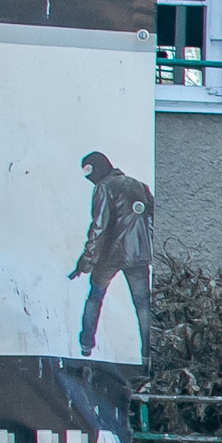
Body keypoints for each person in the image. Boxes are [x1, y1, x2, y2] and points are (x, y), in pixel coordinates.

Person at [70, 151, 153, 359]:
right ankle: (148, 354)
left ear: (97, 168)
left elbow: (98, 227)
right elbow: (153, 220)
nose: (88, 177)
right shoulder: (139, 186)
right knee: (143, 304)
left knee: (95, 296)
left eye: (88, 170)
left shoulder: (104, 187)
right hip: (139, 255)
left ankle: (86, 345)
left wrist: (86, 261)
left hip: (110, 256)